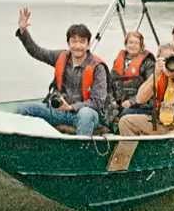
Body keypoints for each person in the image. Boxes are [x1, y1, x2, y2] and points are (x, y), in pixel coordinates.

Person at [108, 42, 174, 171]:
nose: (169, 63)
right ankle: (119, 168)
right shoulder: (160, 74)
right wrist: (156, 74)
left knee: (170, 139)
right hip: (163, 124)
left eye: (172, 59)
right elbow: (140, 99)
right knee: (126, 121)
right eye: (165, 59)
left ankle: (160, 170)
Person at [14, 7, 109, 136]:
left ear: (88, 44)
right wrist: (23, 31)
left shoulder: (98, 67)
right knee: (23, 109)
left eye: (82, 42)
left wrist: (71, 107)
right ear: (68, 43)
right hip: (59, 112)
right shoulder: (61, 57)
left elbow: (97, 102)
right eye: (73, 41)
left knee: (86, 114)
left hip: (83, 114)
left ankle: (81, 151)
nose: (77, 46)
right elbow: (36, 51)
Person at [111, 31, 155, 117]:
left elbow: (150, 87)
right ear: (126, 44)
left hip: (142, 104)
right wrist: (112, 101)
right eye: (130, 42)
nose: (133, 45)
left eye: (136, 43)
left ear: (141, 46)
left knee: (125, 113)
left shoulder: (148, 63)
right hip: (119, 101)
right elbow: (109, 84)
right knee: (106, 111)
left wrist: (132, 101)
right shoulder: (118, 61)